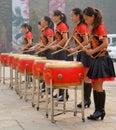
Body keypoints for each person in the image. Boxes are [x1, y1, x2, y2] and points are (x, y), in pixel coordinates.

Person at [83, 7, 115, 120]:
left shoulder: (100, 28)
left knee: (98, 85)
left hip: (102, 59)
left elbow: (105, 43)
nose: (86, 21)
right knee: (94, 85)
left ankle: (100, 111)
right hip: (97, 59)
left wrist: (92, 51)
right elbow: (95, 43)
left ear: (92, 17)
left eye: (87, 19)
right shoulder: (94, 29)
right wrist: (88, 47)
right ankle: (98, 110)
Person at [65, 8, 92, 108]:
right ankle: (85, 99)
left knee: (86, 78)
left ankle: (86, 99)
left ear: (78, 16)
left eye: (72, 15)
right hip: (81, 53)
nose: (71, 17)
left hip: (85, 53)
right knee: (83, 77)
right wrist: (66, 45)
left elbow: (85, 41)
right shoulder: (76, 27)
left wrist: (75, 49)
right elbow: (71, 38)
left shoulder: (82, 27)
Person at [50, 10, 69, 101]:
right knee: (58, 73)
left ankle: (65, 94)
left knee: (62, 72)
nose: (52, 17)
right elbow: (58, 39)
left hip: (62, 51)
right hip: (58, 51)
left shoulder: (63, 26)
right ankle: (60, 93)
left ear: (58, 16)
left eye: (53, 16)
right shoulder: (57, 26)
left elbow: (65, 39)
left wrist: (56, 46)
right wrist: (51, 45)